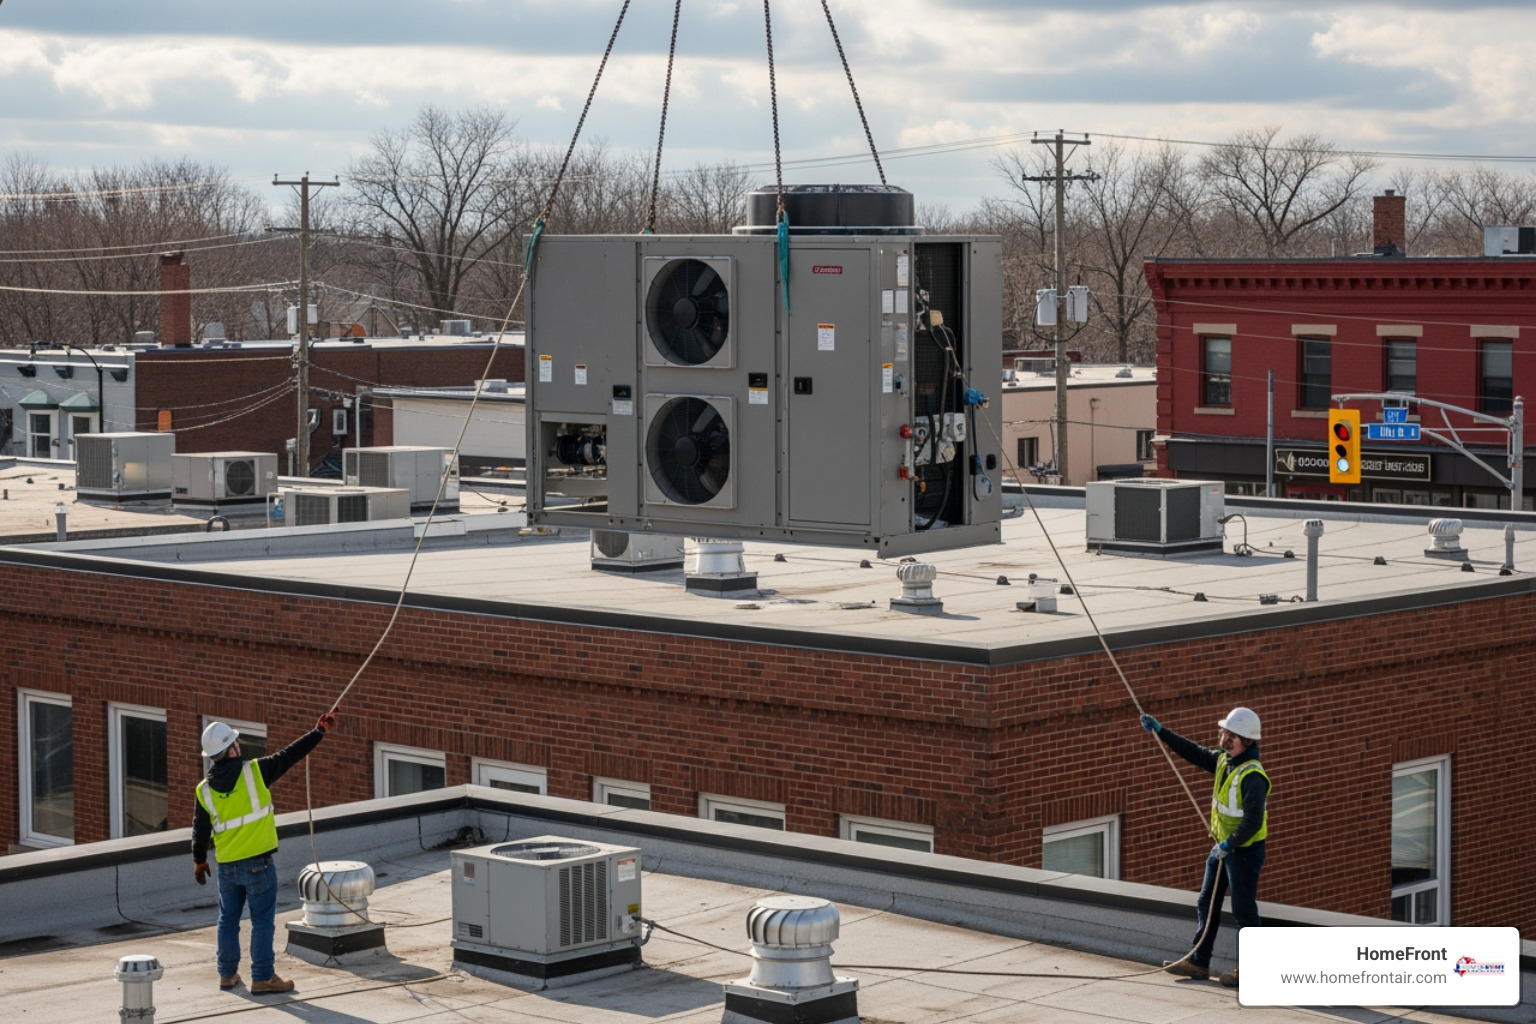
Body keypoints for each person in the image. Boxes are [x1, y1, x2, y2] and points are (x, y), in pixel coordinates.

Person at [192, 713, 336, 994]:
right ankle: (262, 977)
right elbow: (291, 754)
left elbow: (200, 830)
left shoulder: (204, 790)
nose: (239, 746)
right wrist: (318, 731)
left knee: (228, 920)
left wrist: (199, 861)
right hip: (258, 864)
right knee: (261, 921)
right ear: (231, 749)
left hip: (227, 867)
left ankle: (227, 974)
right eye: (236, 742)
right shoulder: (255, 771)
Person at [1140, 706, 1269, 989]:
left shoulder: (1252, 776)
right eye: (1224, 733)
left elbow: (1252, 821)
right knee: (1206, 902)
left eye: (1231, 736)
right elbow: (1195, 753)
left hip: (1243, 852)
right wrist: (1162, 733)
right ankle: (1199, 960)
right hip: (1223, 849)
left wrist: (1229, 844)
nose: (1224, 740)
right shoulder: (1225, 761)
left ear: (1246, 741)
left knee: (1244, 910)